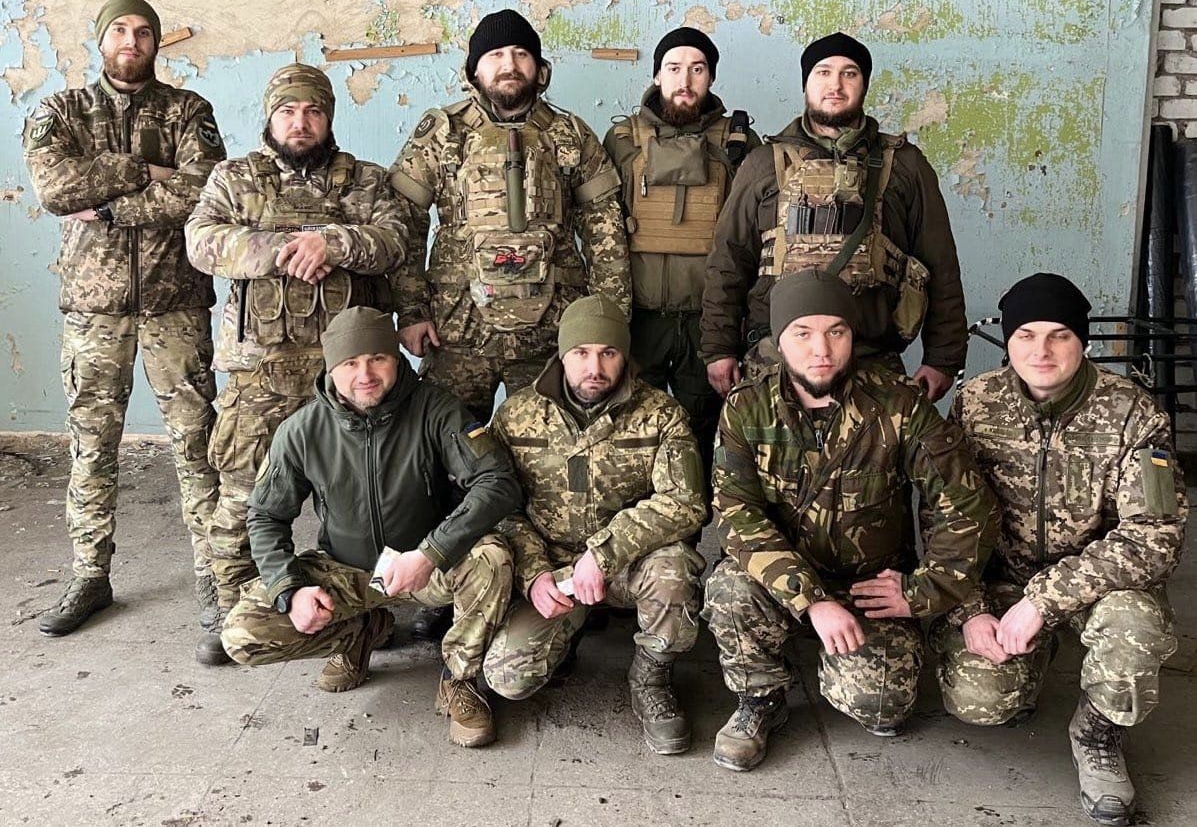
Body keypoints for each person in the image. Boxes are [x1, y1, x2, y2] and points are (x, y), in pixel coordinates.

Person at [387, 8, 630, 640]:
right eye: (496, 56)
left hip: (550, 334)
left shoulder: (569, 135)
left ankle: (558, 585)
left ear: (539, 68)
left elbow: (606, 231)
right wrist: (411, 311)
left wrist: (609, 326)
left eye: (520, 54)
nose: (509, 66)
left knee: (549, 462)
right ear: (473, 69)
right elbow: (405, 225)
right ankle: (447, 584)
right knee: (444, 459)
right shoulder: (442, 133)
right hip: (458, 331)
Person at [704, 269, 998, 771]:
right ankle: (760, 699)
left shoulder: (899, 405)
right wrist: (811, 599)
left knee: (882, 705)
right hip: (785, 580)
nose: (821, 349)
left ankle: (848, 660)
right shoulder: (748, 408)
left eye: (836, 331)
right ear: (779, 341)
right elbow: (736, 514)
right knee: (729, 589)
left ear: (852, 336)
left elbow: (968, 507)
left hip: (870, 588)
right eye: (802, 333)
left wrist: (923, 591)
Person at [933, 273, 1187, 826]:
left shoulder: (1133, 413)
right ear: (1008, 342)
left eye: (1059, 335)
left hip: (1100, 585)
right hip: (1004, 578)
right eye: (1025, 335)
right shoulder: (975, 404)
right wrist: (969, 608)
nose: (1041, 351)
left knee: (1135, 632)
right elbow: (945, 515)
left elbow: (1155, 536)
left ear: (1083, 342)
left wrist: (1044, 601)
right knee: (980, 700)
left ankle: (1097, 735)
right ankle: (1032, 660)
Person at [185, 63, 409, 663]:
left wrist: (332, 242)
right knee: (242, 497)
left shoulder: (363, 179)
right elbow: (201, 240)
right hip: (260, 375)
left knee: (363, 496)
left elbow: (395, 239)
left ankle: (363, 611)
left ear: (329, 117)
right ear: (270, 117)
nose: (300, 122)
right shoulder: (235, 178)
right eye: (288, 111)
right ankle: (237, 609)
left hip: (348, 380)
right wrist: (284, 248)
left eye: (313, 111)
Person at [221, 307, 521, 748]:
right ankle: (357, 633)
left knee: (492, 558)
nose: (365, 375)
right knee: (243, 635)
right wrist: (290, 590)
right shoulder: (301, 431)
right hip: (348, 571)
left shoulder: (436, 409)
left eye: (378, 358)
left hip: (427, 566)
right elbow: (266, 516)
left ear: (396, 360)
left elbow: (497, 482)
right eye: (350, 363)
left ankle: (460, 679)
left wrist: (432, 552)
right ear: (331, 367)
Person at [24, 0, 226, 638]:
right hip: (93, 309)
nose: (131, 41)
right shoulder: (60, 111)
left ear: (157, 43)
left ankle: (216, 577)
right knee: (92, 445)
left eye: (143, 31)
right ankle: (90, 575)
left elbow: (203, 189)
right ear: (101, 39)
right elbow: (56, 189)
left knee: (197, 444)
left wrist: (113, 206)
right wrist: (144, 169)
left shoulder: (189, 111)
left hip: (176, 305)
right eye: (119, 30)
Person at [482, 295, 707, 755]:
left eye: (608, 352)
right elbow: (501, 506)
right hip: (554, 567)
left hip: (629, 563)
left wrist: (604, 553)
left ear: (625, 355)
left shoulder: (661, 413)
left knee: (674, 573)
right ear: (562, 354)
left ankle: (652, 678)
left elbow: (685, 502)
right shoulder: (516, 415)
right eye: (581, 353)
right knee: (508, 676)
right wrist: (533, 574)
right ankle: (570, 630)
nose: (595, 367)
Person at [701, 31, 967, 400]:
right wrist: (718, 348)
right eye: (823, 72)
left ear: (864, 84)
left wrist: (942, 358)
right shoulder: (764, 162)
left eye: (849, 73)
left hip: (871, 358)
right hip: (776, 360)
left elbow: (939, 263)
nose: (836, 85)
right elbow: (729, 259)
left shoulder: (905, 164)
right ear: (806, 83)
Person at [603, 27, 760, 486]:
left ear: (711, 77)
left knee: (705, 435)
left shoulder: (739, 144)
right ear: (657, 75)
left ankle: (699, 523)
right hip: (640, 320)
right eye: (673, 68)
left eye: (697, 69)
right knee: (631, 435)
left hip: (707, 322)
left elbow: (751, 239)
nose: (685, 80)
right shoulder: (622, 140)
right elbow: (598, 230)